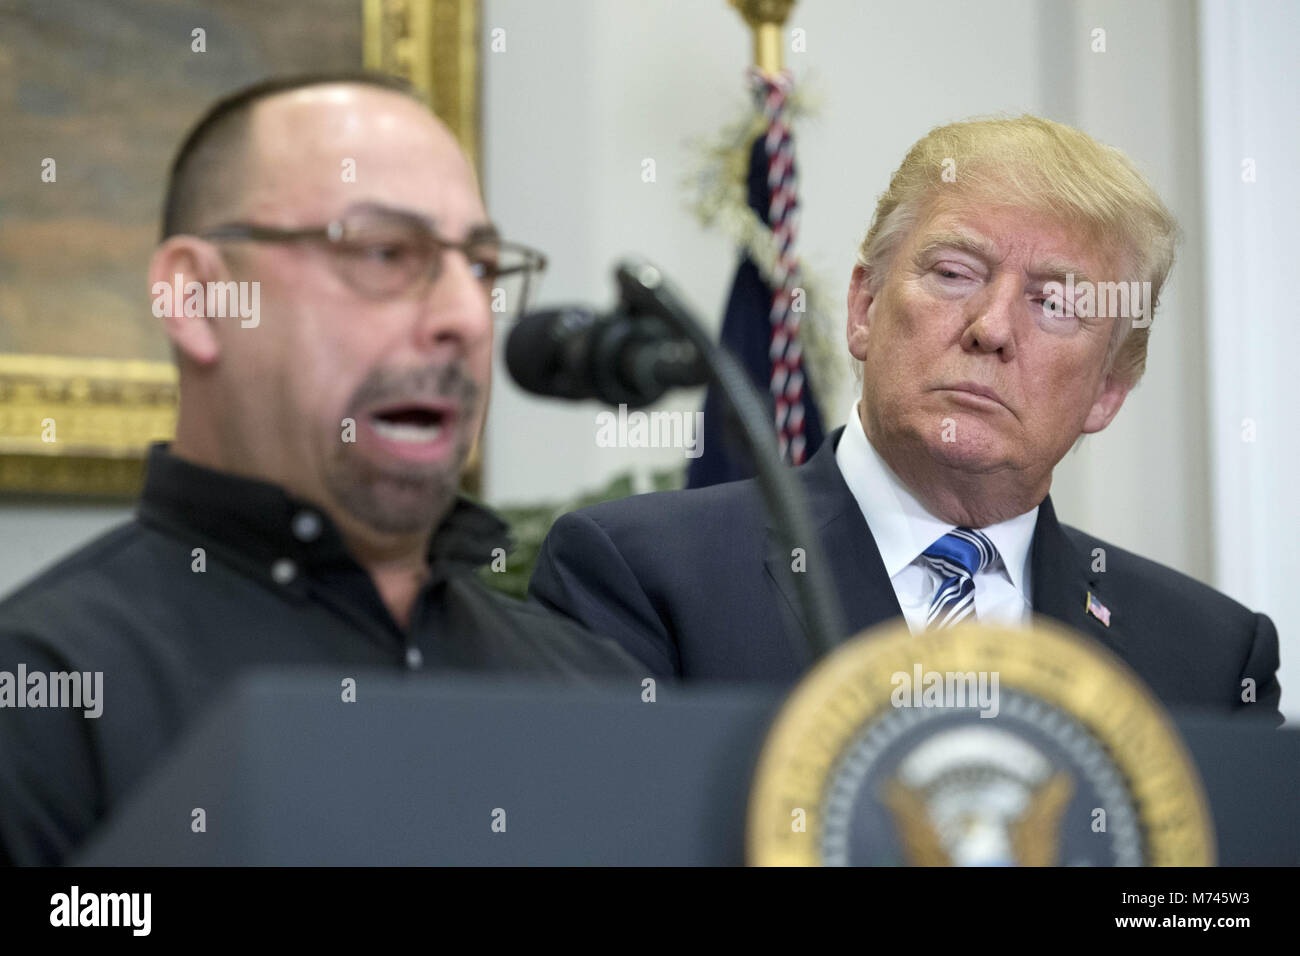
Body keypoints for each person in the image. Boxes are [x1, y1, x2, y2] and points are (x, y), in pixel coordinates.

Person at [0, 72, 639, 866]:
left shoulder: (595, 686)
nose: (466, 319)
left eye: (478, 267)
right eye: (382, 253)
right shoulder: (41, 691)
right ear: (198, 299)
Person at [530, 115, 1282, 726]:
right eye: (954, 274)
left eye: (1055, 303)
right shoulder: (646, 578)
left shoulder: (1211, 659)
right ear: (863, 309)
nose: (991, 327)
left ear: (1109, 390)